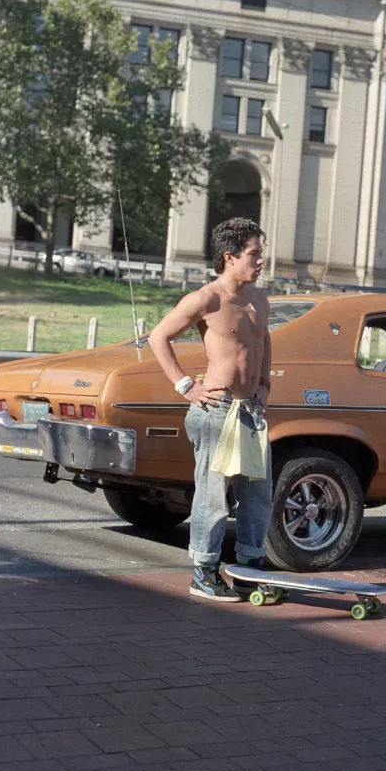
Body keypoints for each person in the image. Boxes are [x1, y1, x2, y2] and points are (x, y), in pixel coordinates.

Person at [147, 218, 273, 602]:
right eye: (254, 254)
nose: (261, 261)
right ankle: (203, 571)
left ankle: (250, 570)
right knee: (213, 495)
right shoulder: (207, 299)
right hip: (216, 409)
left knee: (258, 493)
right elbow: (159, 337)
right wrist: (186, 386)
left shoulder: (259, 298)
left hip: (250, 411)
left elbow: (264, 340)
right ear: (230, 256)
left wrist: (265, 383)